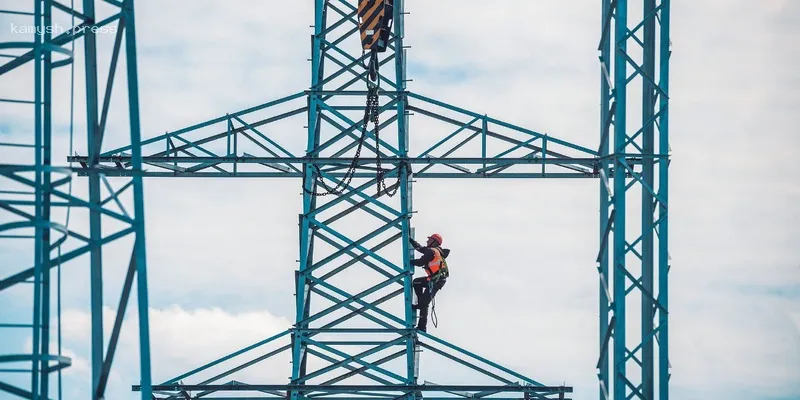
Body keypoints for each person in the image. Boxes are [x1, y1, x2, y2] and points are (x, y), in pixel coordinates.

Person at [409, 233, 450, 332]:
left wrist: (409, 261)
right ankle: (420, 303)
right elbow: (419, 248)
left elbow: (420, 262)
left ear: (434, 242)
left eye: (429, 240)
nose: (427, 241)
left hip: (436, 280)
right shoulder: (434, 251)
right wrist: (410, 240)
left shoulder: (432, 252)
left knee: (424, 302)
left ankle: (422, 327)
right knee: (417, 282)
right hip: (435, 279)